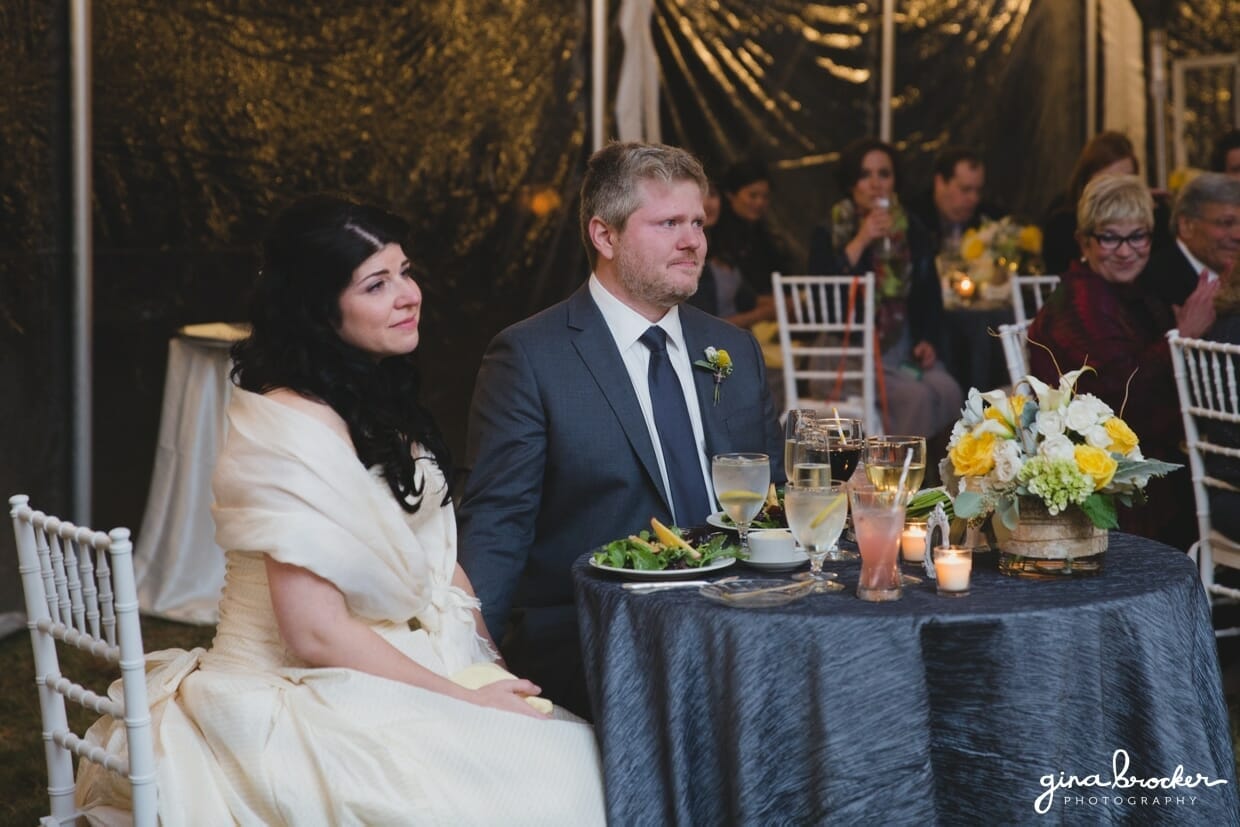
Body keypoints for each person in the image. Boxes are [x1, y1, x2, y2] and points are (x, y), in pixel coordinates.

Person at [75, 196, 606, 824]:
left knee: (573, 750)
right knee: (550, 785)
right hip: (292, 691)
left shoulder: (370, 394)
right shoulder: (288, 426)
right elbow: (313, 632)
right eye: (377, 284)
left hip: (384, 661)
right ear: (319, 307)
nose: (408, 295)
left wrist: (492, 668)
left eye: (406, 272)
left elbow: (440, 569)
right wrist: (464, 702)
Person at [458, 142, 784, 718]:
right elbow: (498, 524)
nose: (693, 242)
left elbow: (776, 498)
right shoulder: (532, 357)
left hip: (742, 627)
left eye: (698, 223)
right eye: (668, 224)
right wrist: (476, 661)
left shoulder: (733, 349)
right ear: (604, 237)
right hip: (600, 637)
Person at [1027, 175, 1218, 551]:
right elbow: (1123, 401)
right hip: (1102, 483)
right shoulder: (1081, 302)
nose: (1126, 250)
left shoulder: (1131, 294)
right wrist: (1181, 337)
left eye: (1138, 236)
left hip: (1142, 459)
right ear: (1084, 241)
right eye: (1110, 237)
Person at [806, 137, 963, 440]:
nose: (876, 184)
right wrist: (863, 239)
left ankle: (934, 473)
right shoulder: (831, 229)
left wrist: (927, 339)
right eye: (865, 175)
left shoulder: (911, 229)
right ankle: (894, 477)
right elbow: (823, 296)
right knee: (915, 398)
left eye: (884, 174)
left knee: (949, 391)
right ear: (852, 183)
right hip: (848, 348)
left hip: (900, 346)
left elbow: (929, 293)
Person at [1040, 131, 1172, 275]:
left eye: (1126, 181)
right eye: (1108, 182)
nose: (1124, 252)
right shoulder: (1062, 220)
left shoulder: (1156, 214)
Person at [1139, 172, 1240, 310]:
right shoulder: (1153, 284)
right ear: (1186, 225)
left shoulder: (1232, 276)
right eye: (1226, 223)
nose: (1237, 236)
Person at [708, 158, 790, 311]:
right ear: (730, 195)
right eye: (752, 196)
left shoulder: (764, 235)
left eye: (765, 197)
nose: (759, 203)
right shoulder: (717, 237)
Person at [907, 146, 1004, 255]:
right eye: (965, 189)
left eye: (978, 191)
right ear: (940, 183)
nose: (974, 199)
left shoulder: (992, 220)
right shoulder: (912, 219)